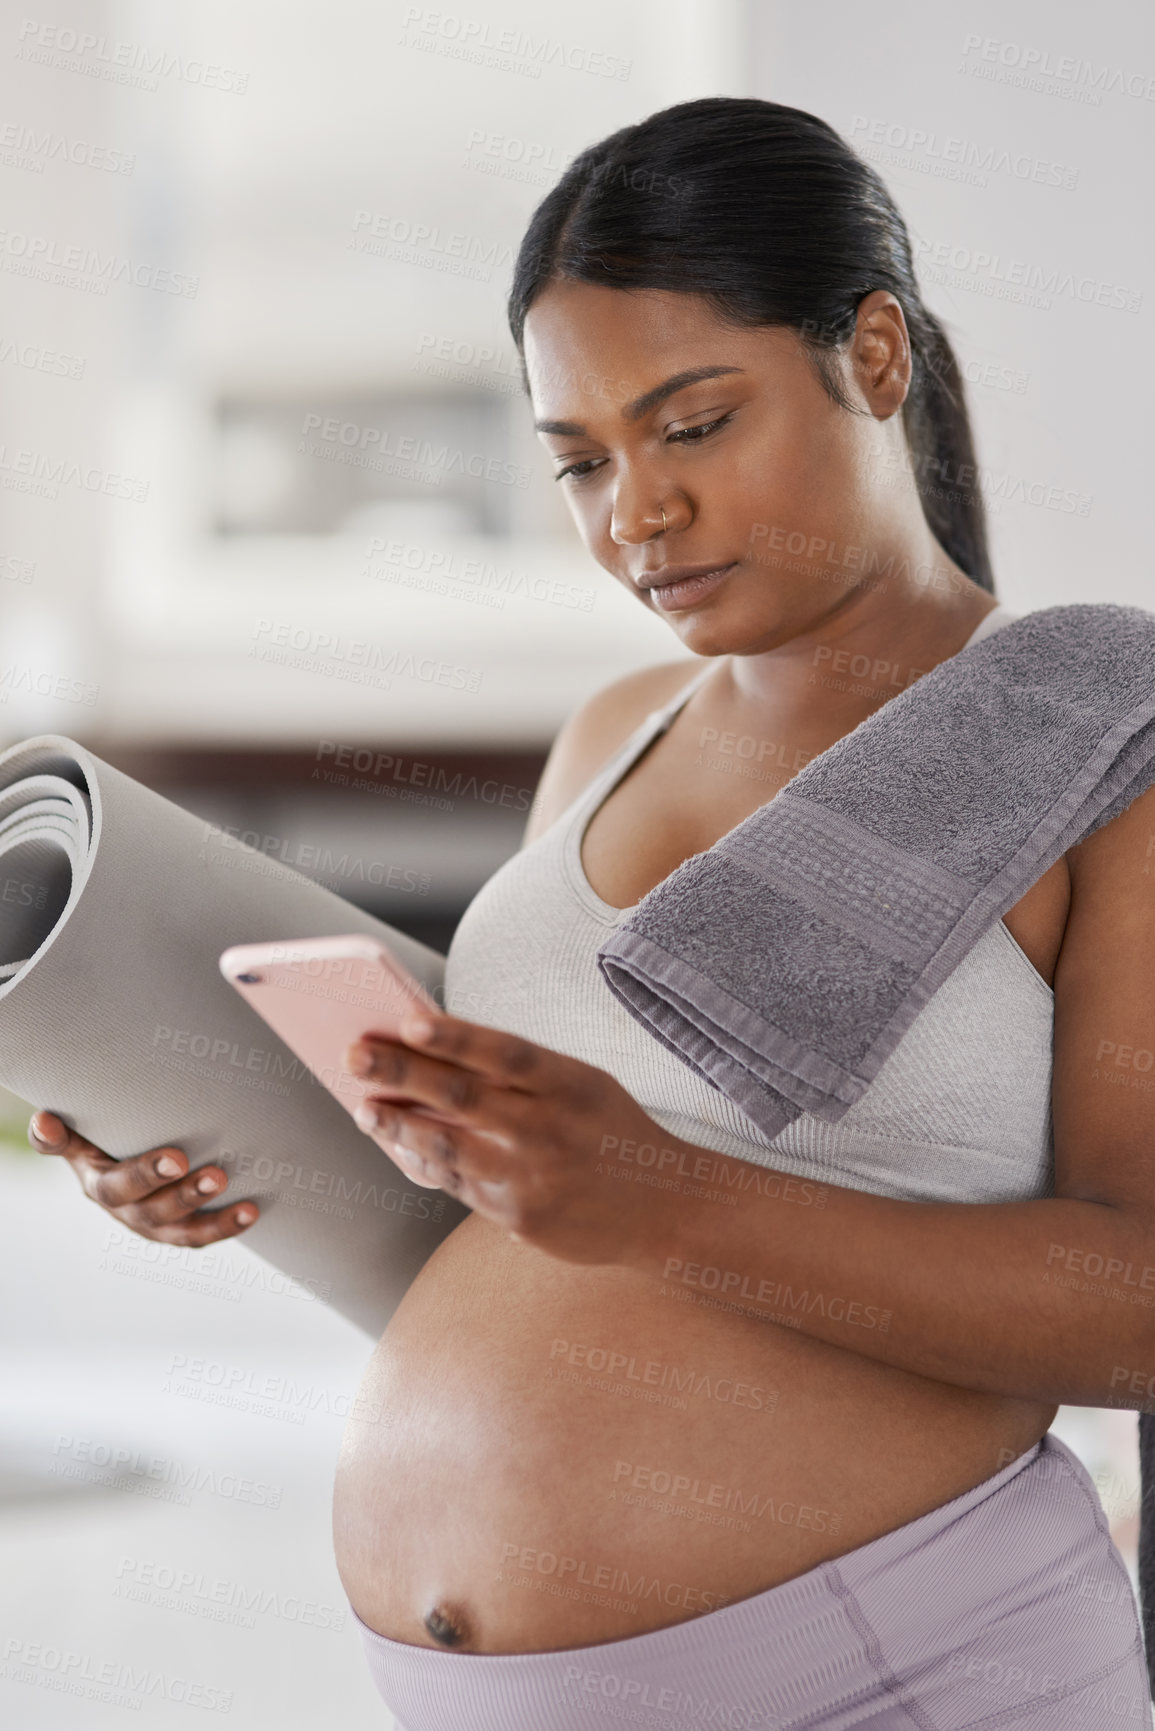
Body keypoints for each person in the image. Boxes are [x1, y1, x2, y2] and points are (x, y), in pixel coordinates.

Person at [31, 98, 1154, 1729]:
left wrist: (659, 1194)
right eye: (579, 459)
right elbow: (518, 1226)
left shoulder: (1095, 747)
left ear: (879, 355)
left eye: (693, 425)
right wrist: (234, 1164)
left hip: (902, 1677)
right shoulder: (613, 735)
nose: (635, 513)